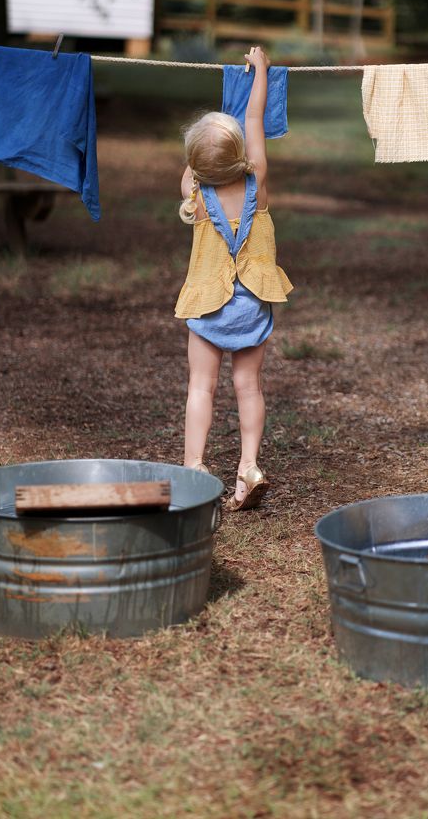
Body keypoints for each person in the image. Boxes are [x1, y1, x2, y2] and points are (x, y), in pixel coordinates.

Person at [175, 46, 293, 511]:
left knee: (200, 387)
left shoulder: (195, 194)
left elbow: (197, 165)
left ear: (196, 165)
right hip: (251, 306)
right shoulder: (257, 183)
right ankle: (248, 467)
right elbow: (255, 116)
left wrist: (201, 152)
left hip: (209, 307)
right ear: (242, 154)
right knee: (249, 387)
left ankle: (194, 466)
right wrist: (259, 70)